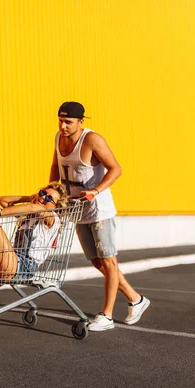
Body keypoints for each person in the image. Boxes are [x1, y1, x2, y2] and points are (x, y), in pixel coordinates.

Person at [49, 101, 150, 331]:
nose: (63, 126)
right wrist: (54, 195)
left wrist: (95, 190)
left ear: (81, 122)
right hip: (77, 209)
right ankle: (136, 299)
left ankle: (107, 315)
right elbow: (55, 166)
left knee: (108, 261)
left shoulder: (93, 140)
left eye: (68, 122)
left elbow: (116, 168)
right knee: (96, 262)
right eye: (60, 121)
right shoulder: (58, 138)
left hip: (99, 210)